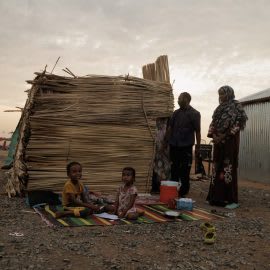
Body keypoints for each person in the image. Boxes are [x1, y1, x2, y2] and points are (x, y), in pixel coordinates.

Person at [206, 85, 248, 206]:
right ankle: (215, 197)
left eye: (223, 94)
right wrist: (215, 136)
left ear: (229, 94)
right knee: (216, 168)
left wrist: (224, 136)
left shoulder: (236, 105)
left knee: (227, 167)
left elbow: (241, 121)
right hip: (218, 143)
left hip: (230, 142)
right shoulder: (218, 108)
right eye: (219, 94)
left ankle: (228, 198)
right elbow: (213, 123)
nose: (221, 96)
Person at [164, 92, 201, 197]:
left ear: (186, 99)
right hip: (174, 146)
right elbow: (170, 128)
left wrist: (198, 147)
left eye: (179, 98)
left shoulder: (195, 114)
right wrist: (165, 142)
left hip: (186, 147)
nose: (178, 100)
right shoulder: (175, 113)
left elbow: (197, 131)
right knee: (174, 169)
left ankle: (183, 192)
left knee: (185, 170)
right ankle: (173, 191)